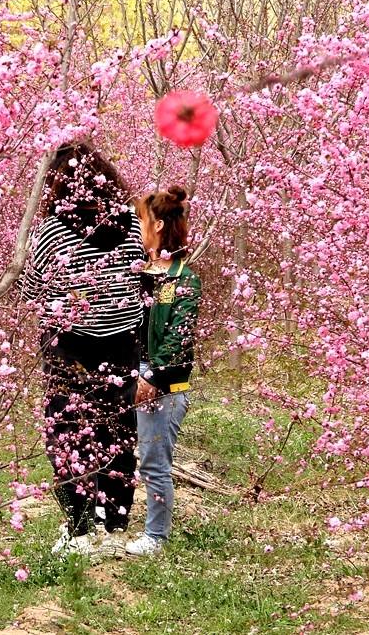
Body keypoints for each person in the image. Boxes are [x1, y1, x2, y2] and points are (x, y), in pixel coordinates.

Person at [21, 143, 144, 555]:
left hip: (70, 346)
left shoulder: (52, 231)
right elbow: (140, 276)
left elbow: (32, 291)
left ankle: (79, 526)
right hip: (123, 342)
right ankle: (115, 522)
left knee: (66, 432)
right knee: (119, 428)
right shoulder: (131, 224)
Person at [126, 186, 202, 556]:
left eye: (141, 221)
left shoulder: (184, 279)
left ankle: (156, 537)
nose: (137, 228)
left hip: (165, 384)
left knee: (155, 462)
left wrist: (151, 378)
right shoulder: (139, 273)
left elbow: (178, 337)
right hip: (131, 375)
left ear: (157, 224)